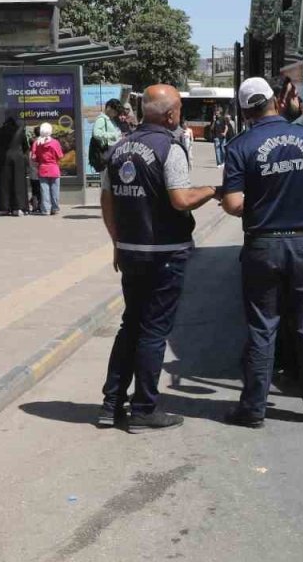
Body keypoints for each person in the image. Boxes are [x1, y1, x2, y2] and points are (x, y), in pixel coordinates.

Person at [221, 77, 303, 428]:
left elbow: (233, 203)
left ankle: (253, 410)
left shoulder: (240, 146)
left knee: (263, 329)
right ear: (274, 101)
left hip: (263, 245)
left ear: (245, 112)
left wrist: (257, 204)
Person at [97, 84, 220, 432]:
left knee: (131, 325)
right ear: (169, 115)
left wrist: (117, 242)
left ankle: (111, 404)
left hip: (131, 251)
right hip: (164, 253)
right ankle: (144, 409)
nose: (180, 114)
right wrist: (212, 190)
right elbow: (181, 200)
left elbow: (107, 200)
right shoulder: (170, 147)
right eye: (179, 108)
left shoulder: (118, 148)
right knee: (154, 331)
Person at [0, 116, 30, 215]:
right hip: (17, 159)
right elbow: (25, 146)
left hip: (3, 158)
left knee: (3, 183)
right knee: (18, 182)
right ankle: (18, 207)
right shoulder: (20, 131)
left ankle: (4, 206)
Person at [31, 123, 63, 215]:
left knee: (44, 190)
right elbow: (60, 156)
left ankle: (46, 209)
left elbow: (33, 157)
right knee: (55, 190)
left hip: (42, 169)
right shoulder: (55, 142)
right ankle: (55, 208)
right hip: (54, 168)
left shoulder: (37, 143)